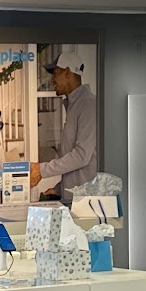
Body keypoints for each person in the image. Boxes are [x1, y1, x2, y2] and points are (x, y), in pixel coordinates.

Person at [39, 57, 99, 196]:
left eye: (55, 74)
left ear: (67, 72)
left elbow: (82, 156)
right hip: (75, 197)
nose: (52, 80)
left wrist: (42, 170)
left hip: (86, 200)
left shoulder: (88, 105)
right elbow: (75, 163)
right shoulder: (74, 105)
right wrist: (59, 189)